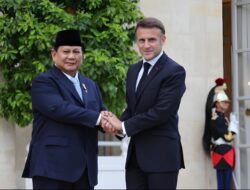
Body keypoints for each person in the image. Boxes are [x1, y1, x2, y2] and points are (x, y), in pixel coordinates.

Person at [22, 29, 113, 189]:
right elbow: (60, 109)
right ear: (54, 53)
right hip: (52, 169)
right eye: (66, 51)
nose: (71, 56)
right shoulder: (44, 82)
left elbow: (101, 113)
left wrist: (117, 127)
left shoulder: (90, 85)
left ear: (82, 55)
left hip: (85, 170)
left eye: (76, 52)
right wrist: (99, 118)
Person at [103, 17, 186, 189]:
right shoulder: (133, 70)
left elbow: (161, 112)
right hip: (135, 158)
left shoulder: (174, 71)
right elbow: (133, 109)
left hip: (162, 157)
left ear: (163, 40)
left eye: (152, 40)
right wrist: (114, 126)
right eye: (141, 40)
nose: (146, 45)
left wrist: (123, 126)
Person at [203, 80, 238, 190]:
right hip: (224, 152)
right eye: (224, 102)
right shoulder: (217, 119)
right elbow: (228, 138)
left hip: (222, 152)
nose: (227, 104)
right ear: (217, 103)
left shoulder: (221, 118)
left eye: (227, 102)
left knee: (224, 184)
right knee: (224, 185)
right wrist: (233, 126)